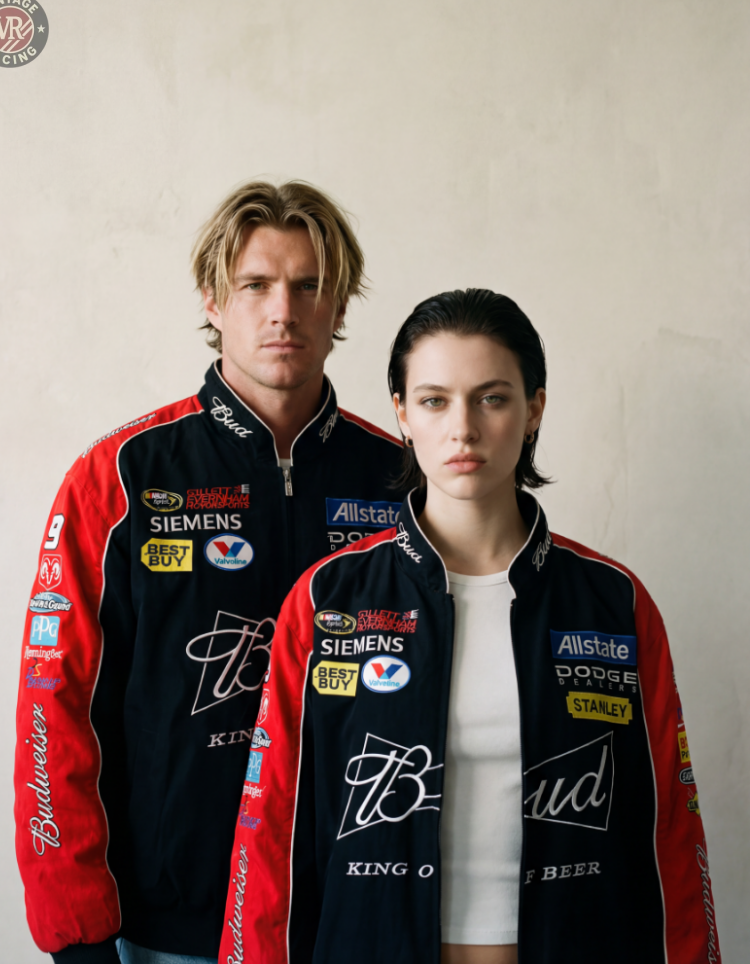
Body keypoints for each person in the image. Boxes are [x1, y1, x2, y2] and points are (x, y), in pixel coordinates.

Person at [218, 289, 720, 964]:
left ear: (533, 409)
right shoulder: (324, 599)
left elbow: (669, 837)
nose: (463, 429)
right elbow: (270, 829)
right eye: (433, 400)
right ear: (401, 414)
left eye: (491, 398)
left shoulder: (613, 602)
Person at [14, 181, 403, 963]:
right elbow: (52, 706)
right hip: (168, 928)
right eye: (255, 285)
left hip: (353, 915)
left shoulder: (402, 482)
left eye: (308, 286)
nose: (282, 311)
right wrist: (75, 924)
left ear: (340, 306)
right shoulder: (120, 478)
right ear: (213, 300)